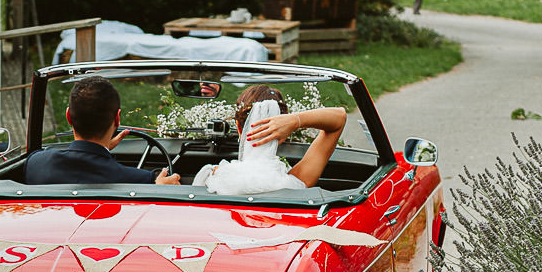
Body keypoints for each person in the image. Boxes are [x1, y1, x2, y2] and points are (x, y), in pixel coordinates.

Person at [25, 76, 182, 185]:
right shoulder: (143, 181)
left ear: (68, 116)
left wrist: (99, 149)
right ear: (117, 119)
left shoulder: (36, 164)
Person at [193, 85, 346, 193]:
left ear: (239, 128)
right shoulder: (296, 183)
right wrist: (295, 121)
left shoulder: (213, 177)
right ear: (283, 135)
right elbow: (339, 118)